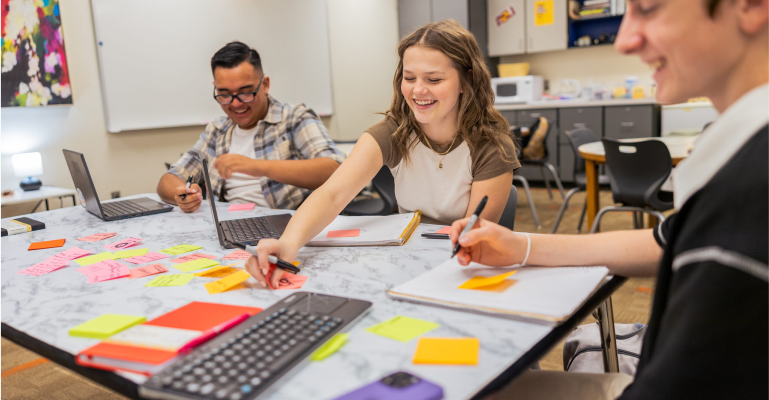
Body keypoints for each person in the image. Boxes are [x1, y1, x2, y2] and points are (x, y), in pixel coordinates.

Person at [451, 0, 769, 399]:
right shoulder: (735, 162)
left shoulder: (750, 194)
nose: (624, 40)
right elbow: (661, 241)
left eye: (648, 8)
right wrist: (521, 245)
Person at [246, 20, 519, 288]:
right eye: (409, 78)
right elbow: (331, 195)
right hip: (407, 261)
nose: (418, 90)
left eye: (434, 79)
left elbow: (470, 238)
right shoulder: (393, 133)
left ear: (466, 80)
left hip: (458, 267)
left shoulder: (491, 145)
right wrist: (288, 243)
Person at [157, 41, 345, 212]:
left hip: (288, 228)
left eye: (246, 92)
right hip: (228, 226)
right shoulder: (217, 130)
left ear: (265, 85)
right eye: (224, 94)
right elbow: (169, 178)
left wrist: (257, 166)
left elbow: (335, 169)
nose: (236, 104)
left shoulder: (294, 118)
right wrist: (182, 194)